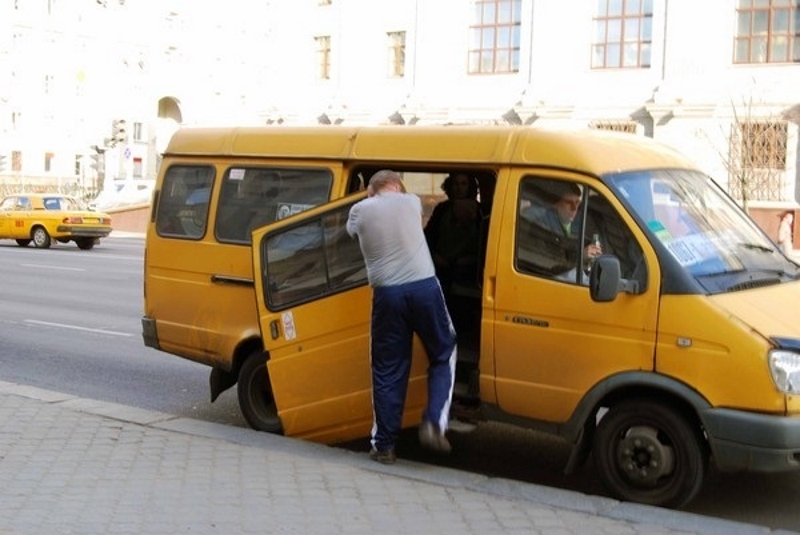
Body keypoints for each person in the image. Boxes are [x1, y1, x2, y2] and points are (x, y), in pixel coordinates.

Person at [346, 169, 458, 464]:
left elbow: (350, 232)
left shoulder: (359, 210)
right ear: (397, 185)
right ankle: (435, 420)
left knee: (387, 367)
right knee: (444, 351)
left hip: (387, 295)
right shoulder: (412, 202)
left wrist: (366, 201)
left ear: (371, 190)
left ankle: (384, 446)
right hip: (424, 288)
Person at [521, 181, 602, 281]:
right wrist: (581, 256)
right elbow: (551, 262)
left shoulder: (582, 223)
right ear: (556, 203)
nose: (574, 208)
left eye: (577, 203)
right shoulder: (542, 224)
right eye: (569, 203)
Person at [424, 173, 483, 297]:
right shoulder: (442, 209)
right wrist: (435, 257)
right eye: (456, 184)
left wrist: (470, 259)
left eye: (463, 184)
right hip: (442, 269)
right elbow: (429, 236)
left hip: (469, 273)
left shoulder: (480, 211)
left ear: (470, 187)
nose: (459, 188)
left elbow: (485, 243)